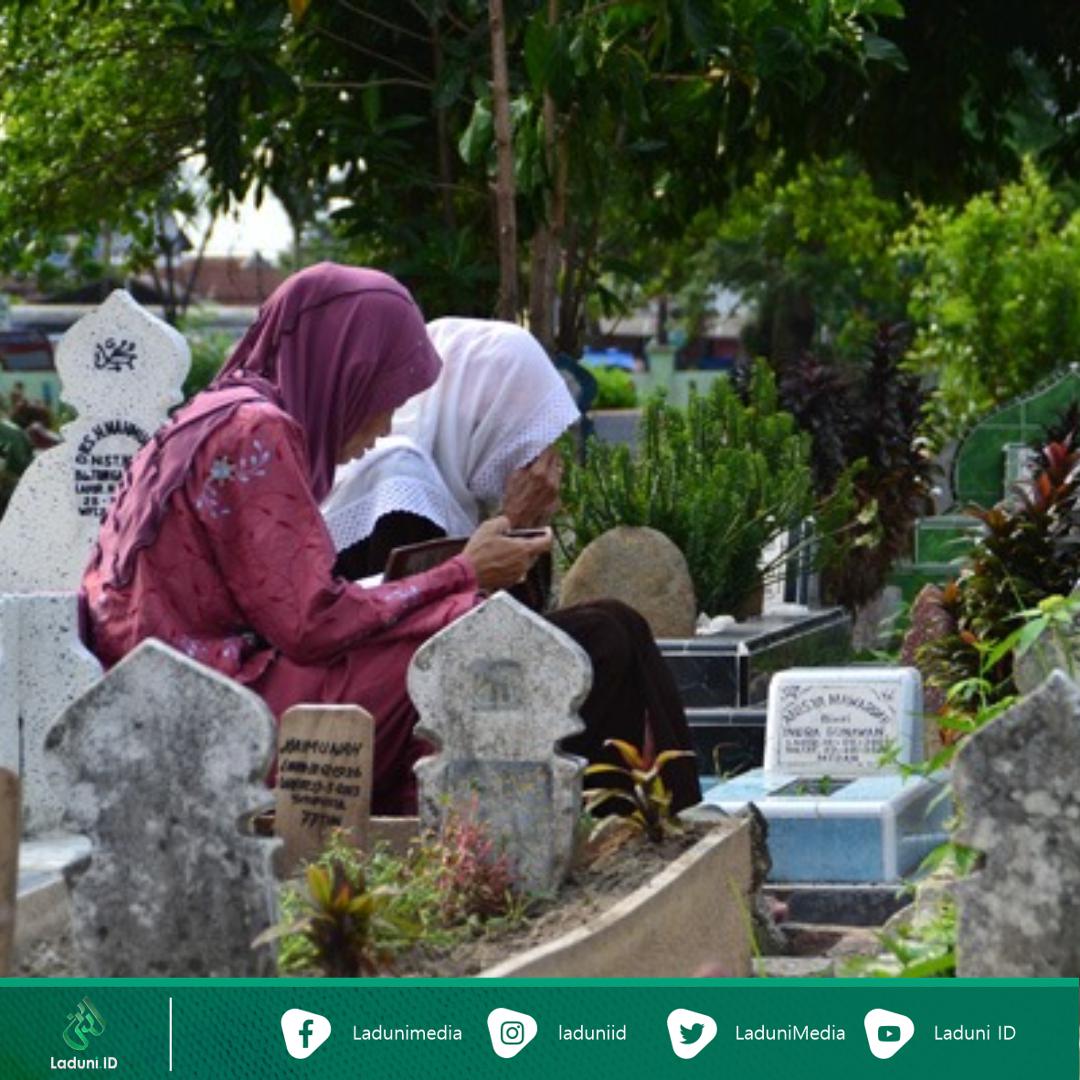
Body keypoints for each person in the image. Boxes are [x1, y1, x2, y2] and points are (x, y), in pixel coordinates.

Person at [80, 265, 549, 815]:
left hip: (157, 700)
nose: (384, 427)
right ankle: (442, 837)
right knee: (460, 634)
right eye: (384, 398)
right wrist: (464, 571)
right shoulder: (256, 431)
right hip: (208, 718)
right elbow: (311, 623)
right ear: (343, 372)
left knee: (445, 622)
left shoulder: (213, 413)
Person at [324, 317, 701, 811]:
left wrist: (519, 525)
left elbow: (511, 615)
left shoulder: (446, 477)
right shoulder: (397, 479)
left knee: (616, 625)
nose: (533, 452)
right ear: (481, 410)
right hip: (397, 700)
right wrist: (513, 520)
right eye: (521, 428)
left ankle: (670, 813)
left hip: (448, 673)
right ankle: (634, 815)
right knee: (607, 636)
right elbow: (434, 625)